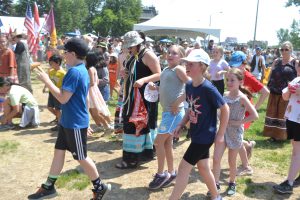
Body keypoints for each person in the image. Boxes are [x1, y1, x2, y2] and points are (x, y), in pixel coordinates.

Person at [28, 38, 111, 200]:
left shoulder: (75, 72)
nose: (63, 55)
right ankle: (49, 186)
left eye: (65, 52)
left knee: (81, 157)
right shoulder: (81, 69)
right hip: (68, 121)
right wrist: (86, 120)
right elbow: (84, 98)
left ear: (72, 54)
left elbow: (63, 98)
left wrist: (47, 81)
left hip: (74, 123)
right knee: (58, 153)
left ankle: (99, 186)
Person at [169, 49, 229, 200]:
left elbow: (225, 108)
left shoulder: (208, 88)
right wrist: (181, 124)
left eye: (191, 64)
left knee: (183, 168)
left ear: (202, 66)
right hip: (196, 134)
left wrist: (220, 135)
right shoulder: (189, 85)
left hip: (205, 136)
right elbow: (191, 108)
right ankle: (216, 196)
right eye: (186, 63)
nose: (187, 66)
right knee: (203, 167)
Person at [115, 31, 161, 169]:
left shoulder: (148, 55)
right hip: (132, 96)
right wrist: (126, 73)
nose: (129, 48)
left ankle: (132, 159)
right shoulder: (134, 54)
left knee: (137, 123)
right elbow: (134, 70)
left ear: (138, 43)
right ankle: (137, 154)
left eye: (131, 46)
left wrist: (143, 80)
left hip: (143, 97)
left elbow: (159, 74)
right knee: (132, 123)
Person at [210, 68, 258, 196]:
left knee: (232, 161)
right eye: (227, 80)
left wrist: (239, 122)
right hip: (222, 131)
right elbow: (218, 111)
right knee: (216, 159)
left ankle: (232, 182)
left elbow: (255, 115)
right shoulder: (224, 95)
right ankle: (215, 184)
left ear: (240, 82)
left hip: (235, 133)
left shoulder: (242, 98)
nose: (229, 82)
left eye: (232, 80)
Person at [148, 45, 189, 190]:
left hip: (174, 114)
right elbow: (169, 88)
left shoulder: (179, 69)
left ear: (181, 57)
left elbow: (191, 87)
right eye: (169, 52)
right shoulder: (166, 70)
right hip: (167, 112)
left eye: (175, 53)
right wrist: (156, 88)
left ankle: (161, 174)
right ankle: (171, 172)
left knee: (158, 142)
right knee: (166, 144)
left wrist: (178, 102)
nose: (170, 55)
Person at [228, 51, 269, 176]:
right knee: (237, 138)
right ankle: (249, 145)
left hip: (245, 114)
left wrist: (254, 108)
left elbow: (265, 92)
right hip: (236, 110)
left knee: (237, 139)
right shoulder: (235, 74)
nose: (235, 68)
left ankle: (246, 166)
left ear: (244, 63)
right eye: (233, 65)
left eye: (238, 65)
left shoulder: (248, 76)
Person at [263, 41, 298, 141]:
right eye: (281, 49)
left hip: (287, 93)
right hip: (274, 91)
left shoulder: (295, 62)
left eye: (286, 49)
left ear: (291, 50)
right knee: (272, 112)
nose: (283, 51)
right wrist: (268, 84)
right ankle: (272, 135)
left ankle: (282, 136)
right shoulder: (277, 61)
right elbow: (271, 74)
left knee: (283, 114)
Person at [273, 65, 300, 194]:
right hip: (293, 119)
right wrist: (289, 91)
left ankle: (289, 183)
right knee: (296, 149)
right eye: (299, 66)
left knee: (296, 152)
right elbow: (285, 97)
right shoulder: (296, 80)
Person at [86, 51, 112, 132]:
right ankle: (102, 125)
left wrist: (83, 84)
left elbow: (93, 82)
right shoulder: (93, 68)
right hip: (93, 91)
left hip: (91, 92)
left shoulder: (90, 69)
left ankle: (107, 126)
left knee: (95, 112)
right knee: (93, 110)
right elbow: (96, 82)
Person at [46, 54, 66, 131]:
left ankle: (60, 124)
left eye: (52, 63)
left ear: (57, 63)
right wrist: (45, 87)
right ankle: (60, 119)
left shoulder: (63, 73)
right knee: (49, 107)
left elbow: (64, 84)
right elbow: (49, 80)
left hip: (58, 93)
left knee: (58, 109)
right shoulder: (51, 71)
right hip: (51, 92)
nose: (50, 65)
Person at [0, 35, 18, 113]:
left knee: (9, 94)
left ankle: (11, 109)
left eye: (3, 41)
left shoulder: (9, 52)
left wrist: (10, 80)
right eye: (0, 42)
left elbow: (12, 66)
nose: (1, 43)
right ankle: (2, 108)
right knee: (1, 93)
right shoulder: (0, 52)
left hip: (8, 76)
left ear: (7, 42)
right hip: (1, 76)